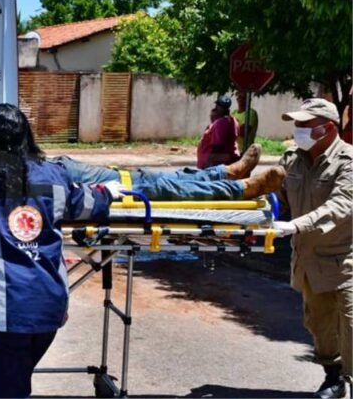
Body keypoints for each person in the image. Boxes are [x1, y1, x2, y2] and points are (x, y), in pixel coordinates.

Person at [0, 104, 124, 398]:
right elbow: (85, 203)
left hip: (1, 315)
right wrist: (108, 193)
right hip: (47, 310)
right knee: (13, 384)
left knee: (3, 390)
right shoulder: (55, 176)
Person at [272, 98, 352, 399]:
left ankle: (350, 378)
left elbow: (342, 204)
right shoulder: (292, 158)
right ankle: (333, 376)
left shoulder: (349, 162)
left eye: (305, 125)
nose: (298, 131)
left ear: (327, 128)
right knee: (319, 325)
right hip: (308, 259)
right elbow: (273, 191)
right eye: (297, 125)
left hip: (345, 257)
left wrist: (296, 225)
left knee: (351, 323)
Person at [53, 143, 286, 201]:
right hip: (77, 184)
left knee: (160, 177)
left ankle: (226, 173)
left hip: (65, 170)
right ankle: (241, 188)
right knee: (162, 187)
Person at [197, 95, 240, 169]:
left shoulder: (220, 123)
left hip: (217, 164)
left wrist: (208, 162)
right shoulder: (233, 121)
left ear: (218, 107)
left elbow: (218, 145)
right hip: (226, 160)